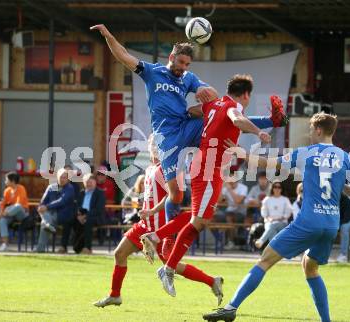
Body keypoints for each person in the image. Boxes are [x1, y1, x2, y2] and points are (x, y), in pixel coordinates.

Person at [91, 24, 287, 226]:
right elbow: (123, 55)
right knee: (176, 195)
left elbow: (212, 94)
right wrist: (108, 35)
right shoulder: (151, 71)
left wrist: (205, 89)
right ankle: (166, 231)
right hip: (166, 137)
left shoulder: (187, 77)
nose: (183, 68)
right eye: (181, 62)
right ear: (171, 58)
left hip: (186, 125)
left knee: (221, 116)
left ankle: (272, 120)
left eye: (187, 64)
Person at [203, 112, 350, 322]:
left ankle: (231, 308)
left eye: (311, 129)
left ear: (318, 130)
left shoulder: (307, 153)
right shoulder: (345, 157)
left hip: (309, 221)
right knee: (310, 267)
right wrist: (341, 185)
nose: (310, 133)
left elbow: (270, 164)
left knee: (265, 260)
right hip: (331, 224)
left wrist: (243, 154)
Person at [141, 74, 274, 297]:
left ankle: (157, 240)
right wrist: (258, 131)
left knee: (197, 219)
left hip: (206, 165)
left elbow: (195, 111)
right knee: (198, 222)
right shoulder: (233, 106)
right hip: (209, 169)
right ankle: (168, 266)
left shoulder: (213, 104)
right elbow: (238, 119)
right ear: (246, 95)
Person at [93, 136, 223, 308]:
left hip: (158, 227)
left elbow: (174, 196)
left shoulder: (164, 169)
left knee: (171, 266)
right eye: (152, 143)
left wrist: (152, 210)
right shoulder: (150, 168)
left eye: (158, 144)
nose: (154, 147)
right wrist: (144, 207)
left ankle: (212, 281)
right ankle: (115, 295)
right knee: (119, 254)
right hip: (144, 225)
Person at [36, 168, 76, 253]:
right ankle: (47, 225)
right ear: (57, 177)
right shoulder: (51, 187)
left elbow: (62, 201)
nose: (62, 179)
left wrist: (46, 207)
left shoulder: (70, 188)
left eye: (64, 177)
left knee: (45, 220)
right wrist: (41, 207)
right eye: (61, 177)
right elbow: (43, 201)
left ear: (68, 179)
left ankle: (40, 249)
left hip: (62, 215)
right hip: (49, 213)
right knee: (45, 218)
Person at [0, 172, 29, 252]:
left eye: (6, 180)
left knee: (18, 206)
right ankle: (4, 244)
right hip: (10, 214)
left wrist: (4, 212)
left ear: (12, 181)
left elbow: (19, 203)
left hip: (21, 214)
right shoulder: (7, 190)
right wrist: (3, 210)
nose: (5, 181)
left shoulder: (21, 188)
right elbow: (3, 204)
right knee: (3, 221)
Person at [254, 181, 293, 249]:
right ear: (272, 188)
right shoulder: (267, 199)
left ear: (281, 189)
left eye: (279, 187)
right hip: (269, 222)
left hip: (282, 223)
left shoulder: (285, 199)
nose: (277, 189)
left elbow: (288, 212)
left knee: (272, 226)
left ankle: (261, 241)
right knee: (272, 230)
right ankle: (277, 250)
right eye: (275, 187)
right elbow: (264, 213)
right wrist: (269, 219)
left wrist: (278, 219)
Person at [77, 173, 106, 254]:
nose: (89, 184)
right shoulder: (81, 193)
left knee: (88, 221)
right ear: (84, 183)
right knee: (69, 220)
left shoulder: (100, 193)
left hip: (96, 217)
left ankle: (87, 248)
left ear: (95, 182)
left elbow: (98, 209)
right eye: (87, 182)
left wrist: (85, 216)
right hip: (81, 215)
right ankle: (66, 246)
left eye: (91, 182)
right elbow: (77, 205)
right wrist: (79, 215)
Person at [219, 180, 249, 250]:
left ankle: (231, 242)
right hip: (228, 212)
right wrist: (220, 188)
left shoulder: (243, 188)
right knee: (212, 219)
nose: (231, 181)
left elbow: (238, 201)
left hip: (241, 213)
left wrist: (229, 190)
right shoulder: (225, 188)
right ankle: (220, 242)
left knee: (229, 218)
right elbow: (219, 201)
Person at [337, 193, 350, 263]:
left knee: (344, 227)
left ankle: (343, 255)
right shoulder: (331, 200)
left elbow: (347, 218)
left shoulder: (346, 200)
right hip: (339, 224)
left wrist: (336, 225)